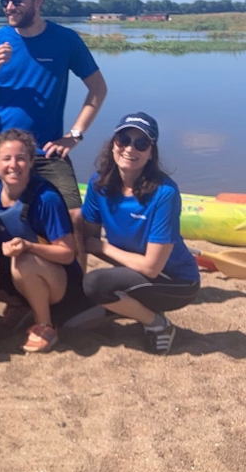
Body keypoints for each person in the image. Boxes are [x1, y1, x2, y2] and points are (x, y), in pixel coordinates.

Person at [0, 0, 108, 268]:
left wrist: (75, 134)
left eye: (16, 1)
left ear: (38, 0)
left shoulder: (65, 40)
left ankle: (77, 288)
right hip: (2, 152)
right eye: (4, 2)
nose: (9, 8)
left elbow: (98, 88)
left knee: (74, 215)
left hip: (48, 150)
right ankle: (10, 281)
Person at [81, 113, 200, 355]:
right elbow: (86, 237)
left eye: (141, 143)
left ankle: (158, 324)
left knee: (94, 284)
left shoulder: (164, 194)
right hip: (132, 273)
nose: (129, 148)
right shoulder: (98, 184)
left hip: (175, 281)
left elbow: (151, 268)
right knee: (71, 325)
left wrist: (103, 248)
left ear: (150, 153)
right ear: (113, 144)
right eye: (123, 140)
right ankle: (130, 304)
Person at [0, 129, 87, 353]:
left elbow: (68, 253)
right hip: (22, 274)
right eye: (6, 159)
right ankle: (22, 305)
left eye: (21, 158)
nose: (14, 165)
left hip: (60, 283)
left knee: (24, 261)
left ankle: (46, 326)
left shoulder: (45, 198)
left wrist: (29, 246)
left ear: (31, 162)